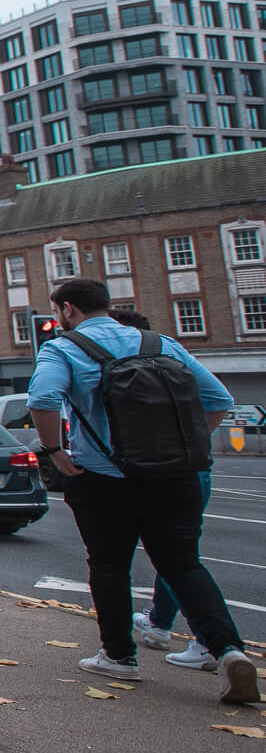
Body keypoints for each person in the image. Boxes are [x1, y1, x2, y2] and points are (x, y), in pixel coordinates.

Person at [27, 279, 255, 704]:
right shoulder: (160, 343)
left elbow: (43, 398)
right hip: (175, 477)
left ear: (67, 309)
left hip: (103, 479)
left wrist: (55, 451)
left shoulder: (64, 347)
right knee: (184, 565)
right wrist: (186, 448)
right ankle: (228, 651)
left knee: (110, 566)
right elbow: (218, 398)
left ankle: (120, 657)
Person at [106, 310, 228, 671]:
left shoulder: (115, 362)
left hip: (142, 472)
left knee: (173, 561)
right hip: (190, 468)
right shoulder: (169, 352)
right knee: (178, 557)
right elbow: (220, 399)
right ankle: (160, 625)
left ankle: (206, 642)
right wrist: (190, 443)